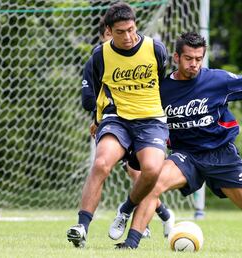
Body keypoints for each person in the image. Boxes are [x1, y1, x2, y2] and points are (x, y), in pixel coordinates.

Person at [113, 32, 242, 250]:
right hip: (187, 157)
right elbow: (133, 109)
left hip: (222, 155)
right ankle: (130, 244)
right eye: (188, 58)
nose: (194, 64)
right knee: (153, 184)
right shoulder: (161, 90)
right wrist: (103, 120)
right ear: (176, 57)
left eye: (198, 59)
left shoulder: (217, 80)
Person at [67, 2, 173, 248]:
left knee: (152, 171)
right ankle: (81, 227)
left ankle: (125, 210)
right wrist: (97, 120)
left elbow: (165, 86)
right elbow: (95, 92)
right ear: (108, 31)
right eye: (120, 32)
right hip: (118, 120)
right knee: (102, 163)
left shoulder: (155, 49)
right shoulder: (100, 55)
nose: (128, 36)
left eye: (131, 29)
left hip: (151, 121)